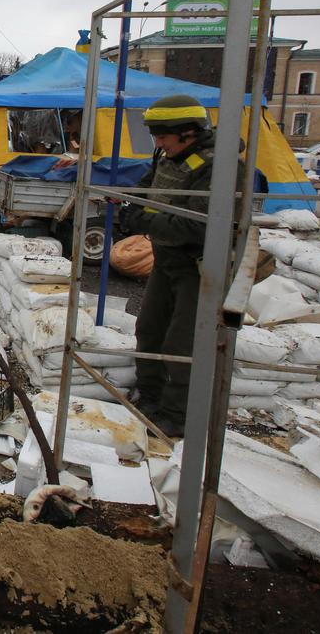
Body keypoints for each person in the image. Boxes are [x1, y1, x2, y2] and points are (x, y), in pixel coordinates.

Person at [115, 94, 221, 439]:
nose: (158, 143)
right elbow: (149, 187)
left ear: (188, 133)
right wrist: (133, 205)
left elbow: (200, 227)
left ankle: (176, 415)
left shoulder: (215, 167)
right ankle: (150, 397)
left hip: (197, 267)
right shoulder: (169, 157)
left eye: (163, 136)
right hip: (166, 260)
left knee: (182, 343)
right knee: (149, 329)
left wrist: (145, 220)